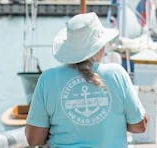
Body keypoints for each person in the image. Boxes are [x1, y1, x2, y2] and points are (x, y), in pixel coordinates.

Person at [25, 13, 148, 147]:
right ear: (100, 47)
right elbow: (139, 126)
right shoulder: (117, 74)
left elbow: (34, 139)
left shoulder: (48, 79)